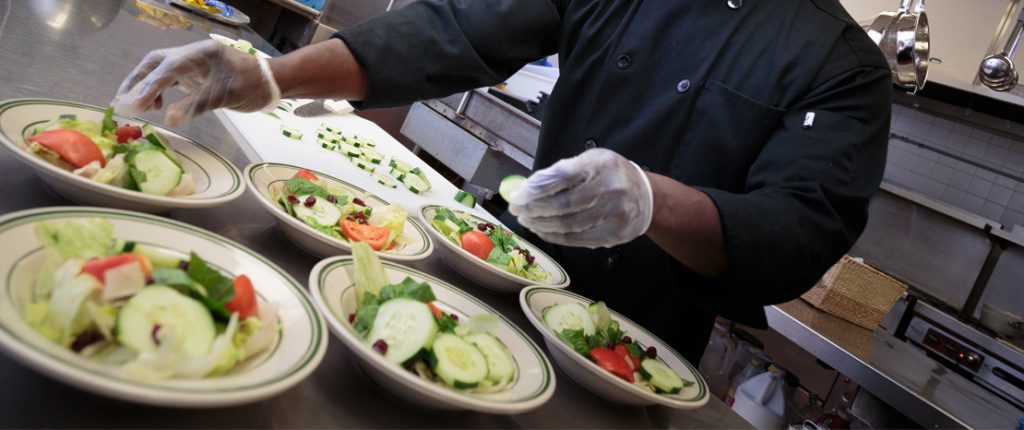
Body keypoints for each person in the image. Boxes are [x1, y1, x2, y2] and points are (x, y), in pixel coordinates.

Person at [113, 0, 891, 362]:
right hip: (498, 277)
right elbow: (454, 31)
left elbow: (800, 232)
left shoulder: (841, 64)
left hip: (633, 348)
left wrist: (653, 202)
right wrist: (268, 77)